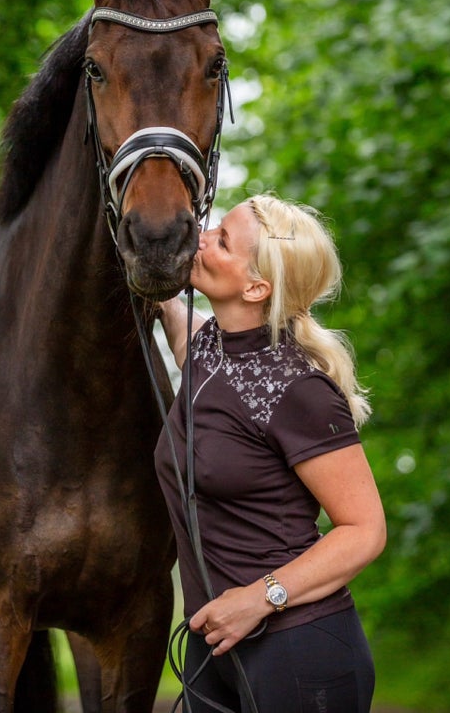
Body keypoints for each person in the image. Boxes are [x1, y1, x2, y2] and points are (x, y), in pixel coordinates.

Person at [154, 192, 386, 713]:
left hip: (299, 654)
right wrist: (158, 293)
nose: (201, 237)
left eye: (222, 240)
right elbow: (186, 339)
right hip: (214, 646)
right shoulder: (211, 349)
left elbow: (365, 530)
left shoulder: (297, 389)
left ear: (256, 287)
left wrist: (257, 598)